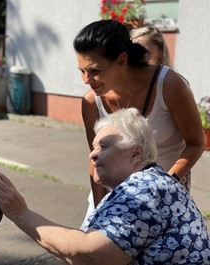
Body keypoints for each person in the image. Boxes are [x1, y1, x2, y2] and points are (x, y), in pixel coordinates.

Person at [0, 108, 210, 264]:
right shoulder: (147, 183)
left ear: (136, 153)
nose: (92, 155)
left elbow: (93, 255)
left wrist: (20, 213)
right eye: (93, 147)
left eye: (103, 146)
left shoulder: (145, 189)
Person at [73, 20, 204, 225]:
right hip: (114, 196)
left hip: (165, 194)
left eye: (95, 70)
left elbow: (196, 142)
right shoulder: (91, 101)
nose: (86, 80)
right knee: (89, 251)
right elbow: (95, 160)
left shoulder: (168, 84)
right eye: (81, 71)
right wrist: (100, 212)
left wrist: (164, 185)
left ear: (121, 61)